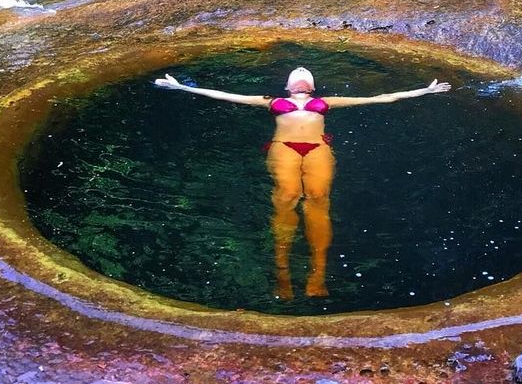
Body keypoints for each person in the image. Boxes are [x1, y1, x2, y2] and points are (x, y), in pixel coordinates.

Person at [153, 66, 452, 300]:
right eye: (295, 77)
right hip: (283, 147)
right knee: (287, 195)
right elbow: (224, 95)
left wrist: (424, 92)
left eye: (305, 77)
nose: (300, 77)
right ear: (286, 87)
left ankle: (317, 274)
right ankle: (282, 271)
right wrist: (180, 87)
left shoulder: (326, 102)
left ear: (312, 87)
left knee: (319, 197)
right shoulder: (272, 102)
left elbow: (378, 98)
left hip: (318, 148)